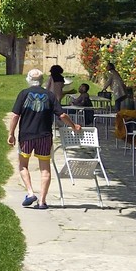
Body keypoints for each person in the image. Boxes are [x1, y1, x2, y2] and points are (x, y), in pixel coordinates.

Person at [6, 68, 81, 209]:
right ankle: (42, 201)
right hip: (45, 136)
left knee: (23, 165)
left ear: (28, 79)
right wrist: (73, 126)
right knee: (45, 169)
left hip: (26, 136)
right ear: (42, 80)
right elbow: (62, 115)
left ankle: (30, 193)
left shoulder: (23, 94)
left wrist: (11, 133)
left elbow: (15, 115)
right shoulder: (50, 95)